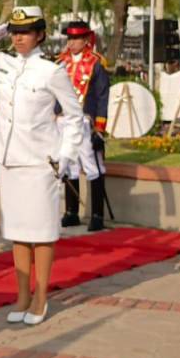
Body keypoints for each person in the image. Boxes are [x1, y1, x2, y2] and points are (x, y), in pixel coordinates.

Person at [0, 7, 84, 326]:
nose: (18, 37)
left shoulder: (50, 71)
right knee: (18, 233)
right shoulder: (1, 65)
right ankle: (22, 295)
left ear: (40, 34)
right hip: (10, 159)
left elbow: (73, 115)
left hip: (42, 161)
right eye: (14, 31)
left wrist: (65, 157)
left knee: (41, 232)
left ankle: (41, 297)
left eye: (25, 32)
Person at [55, 21, 111, 231]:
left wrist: (100, 128)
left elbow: (102, 96)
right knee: (68, 165)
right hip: (62, 120)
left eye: (76, 38)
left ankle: (97, 215)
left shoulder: (96, 63)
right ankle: (71, 212)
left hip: (84, 121)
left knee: (92, 166)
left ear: (86, 39)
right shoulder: (61, 62)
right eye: (69, 38)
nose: (72, 42)